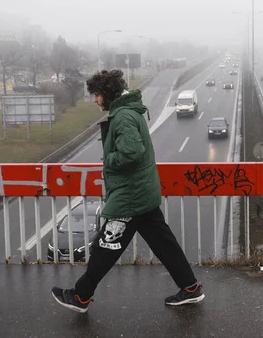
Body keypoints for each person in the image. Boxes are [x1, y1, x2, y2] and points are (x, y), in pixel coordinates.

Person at [51, 69, 204, 313]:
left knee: (105, 247)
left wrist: (108, 159)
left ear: (108, 94)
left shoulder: (122, 117)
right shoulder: (130, 111)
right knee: (165, 244)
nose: (94, 100)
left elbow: (131, 153)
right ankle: (191, 288)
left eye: (97, 95)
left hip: (130, 195)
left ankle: (80, 297)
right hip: (142, 192)